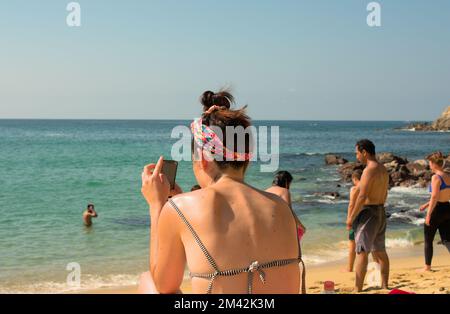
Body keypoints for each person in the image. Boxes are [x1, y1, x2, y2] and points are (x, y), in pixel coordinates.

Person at [138, 90, 305, 294]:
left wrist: (158, 206)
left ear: (204, 159)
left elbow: (164, 285)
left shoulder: (179, 208)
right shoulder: (281, 207)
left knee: (148, 281)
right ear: (246, 158)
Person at [346, 139, 390, 292]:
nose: (357, 156)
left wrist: (351, 217)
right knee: (380, 250)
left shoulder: (369, 170)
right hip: (380, 211)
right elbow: (385, 192)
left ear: (364, 152)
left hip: (369, 213)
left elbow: (362, 196)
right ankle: (385, 285)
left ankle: (357, 288)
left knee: (362, 251)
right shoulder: (383, 169)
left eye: (357, 153)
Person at [419, 152, 450, 271]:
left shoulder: (436, 177)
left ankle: (427, 267)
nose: (429, 166)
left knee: (428, 239)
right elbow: (443, 194)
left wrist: (428, 214)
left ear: (434, 164)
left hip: (437, 210)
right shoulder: (448, 176)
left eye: (429, 163)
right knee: (447, 239)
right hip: (447, 207)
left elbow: (435, 196)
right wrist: (426, 205)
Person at [266, 171, 306, 238]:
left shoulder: (266, 191)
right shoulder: (284, 191)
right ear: (287, 182)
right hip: (278, 227)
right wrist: (301, 226)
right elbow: (289, 212)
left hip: (266, 226)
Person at [344, 169, 362, 272]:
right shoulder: (366, 188)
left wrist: (349, 219)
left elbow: (351, 205)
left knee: (352, 243)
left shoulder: (354, 189)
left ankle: (350, 268)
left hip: (355, 218)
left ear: (355, 178)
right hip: (364, 217)